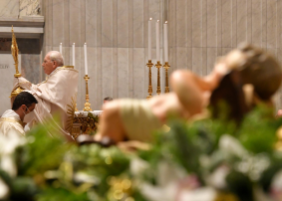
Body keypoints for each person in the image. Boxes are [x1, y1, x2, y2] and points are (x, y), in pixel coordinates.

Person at [78, 43, 282, 144]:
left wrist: (208, 81)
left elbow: (179, 77)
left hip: (140, 121)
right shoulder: (213, 101)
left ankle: (102, 154)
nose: (216, 65)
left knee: (111, 111)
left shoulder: (209, 102)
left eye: (222, 65)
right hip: (149, 118)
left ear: (233, 81)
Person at [12, 51, 79, 141]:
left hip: (57, 124)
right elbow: (42, 90)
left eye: (45, 61)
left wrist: (24, 85)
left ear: (54, 63)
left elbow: (44, 96)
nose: (42, 65)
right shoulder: (57, 76)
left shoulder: (60, 77)